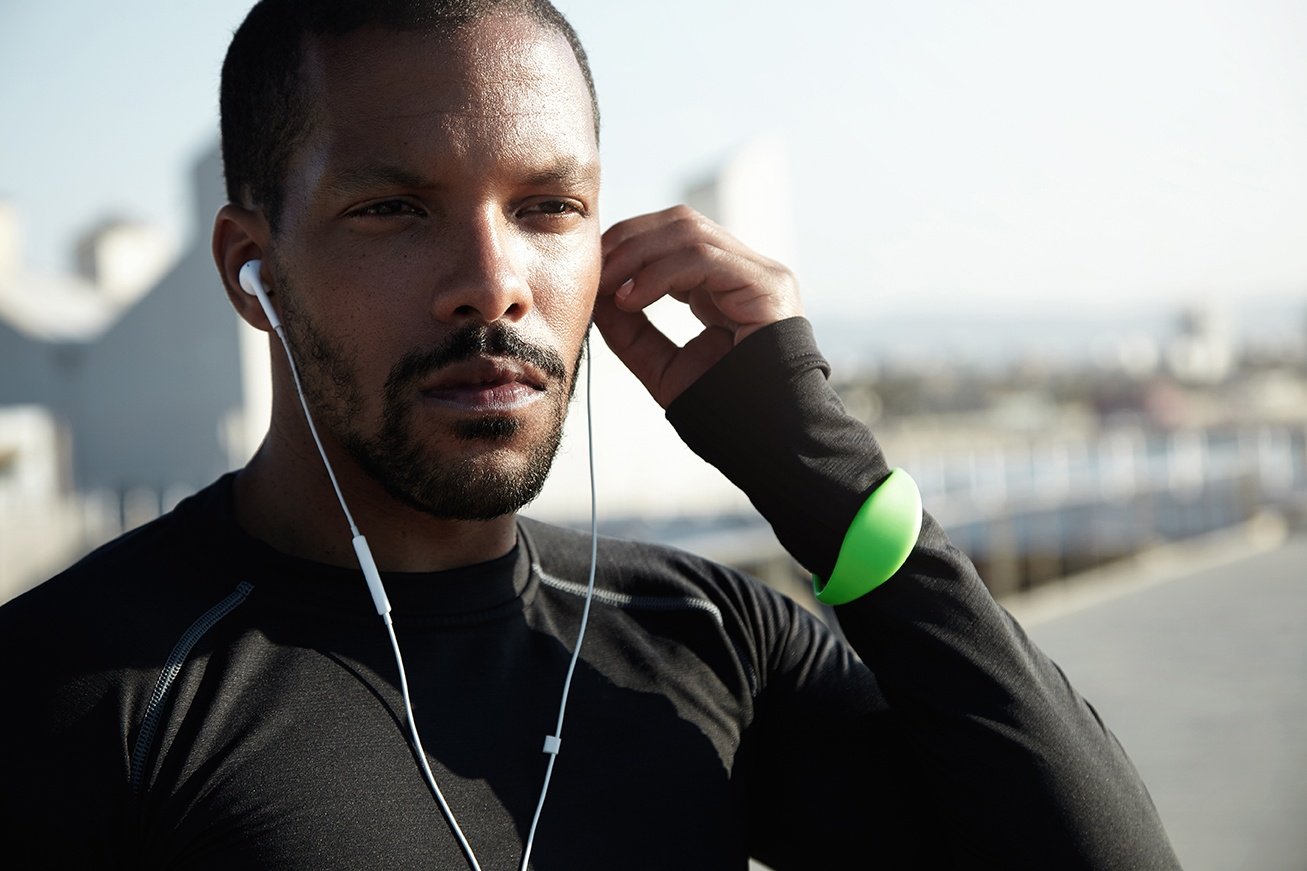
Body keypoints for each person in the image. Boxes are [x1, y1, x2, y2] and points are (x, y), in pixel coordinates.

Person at [0, 1, 1180, 868]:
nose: (490, 281)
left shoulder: (707, 643)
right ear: (250, 269)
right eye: (394, 209)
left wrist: (822, 470)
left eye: (546, 208)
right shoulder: (82, 692)